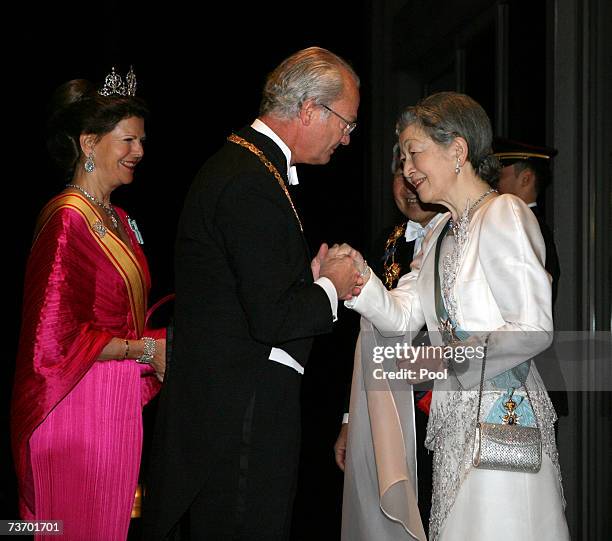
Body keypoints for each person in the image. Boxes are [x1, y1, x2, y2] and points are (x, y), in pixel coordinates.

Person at [143, 46, 363, 540]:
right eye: (346, 123)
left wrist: (307, 278)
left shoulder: (250, 169)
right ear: (309, 109)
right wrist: (333, 284)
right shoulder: (248, 179)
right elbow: (272, 320)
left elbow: (250, 291)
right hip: (240, 418)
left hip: (237, 409)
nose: (347, 139)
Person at [344, 91, 569, 540]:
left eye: (414, 152)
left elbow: (532, 328)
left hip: (503, 422)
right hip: (452, 431)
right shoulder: (438, 235)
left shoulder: (503, 213)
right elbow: (403, 316)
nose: (407, 169)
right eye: (403, 156)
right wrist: (354, 278)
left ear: (457, 151)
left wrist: (439, 363)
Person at [11, 67, 167, 541]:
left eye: (141, 140)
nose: (139, 151)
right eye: (127, 140)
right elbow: (52, 337)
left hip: (113, 400)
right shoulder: (67, 220)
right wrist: (143, 351)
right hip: (75, 405)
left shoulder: (115, 217)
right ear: (88, 143)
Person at [334, 143, 444, 537]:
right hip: (387, 407)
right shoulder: (386, 241)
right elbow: (362, 336)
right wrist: (350, 419)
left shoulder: (457, 233)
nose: (409, 184)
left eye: (416, 171)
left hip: (441, 406)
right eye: (401, 174)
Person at [493, 137, 561, 304]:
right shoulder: (526, 224)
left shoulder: (525, 228)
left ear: (526, 179)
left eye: (500, 177)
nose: (494, 185)